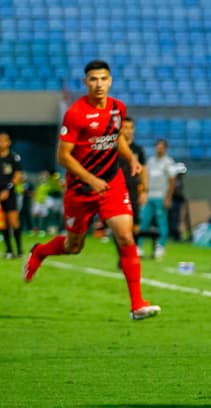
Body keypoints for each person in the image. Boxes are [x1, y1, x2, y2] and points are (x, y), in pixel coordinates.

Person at [22, 60, 160, 320]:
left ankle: (137, 304)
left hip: (112, 182)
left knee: (125, 236)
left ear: (110, 81)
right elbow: (64, 157)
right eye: (93, 79)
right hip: (81, 189)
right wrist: (91, 179)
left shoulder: (118, 108)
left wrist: (131, 158)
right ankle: (40, 252)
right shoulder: (75, 113)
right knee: (74, 246)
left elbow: (116, 137)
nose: (99, 84)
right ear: (85, 82)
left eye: (103, 79)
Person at [140, 139, 176, 258]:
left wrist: (168, 197)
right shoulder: (150, 161)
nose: (159, 149)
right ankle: (139, 245)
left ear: (165, 149)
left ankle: (160, 246)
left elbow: (172, 181)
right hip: (149, 195)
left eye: (161, 147)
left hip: (161, 196)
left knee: (161, 222)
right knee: (143, 220)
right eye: (157, 147)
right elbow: (145, 176)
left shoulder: (169, 162)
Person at [118, 117, 147, 254]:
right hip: (117, 190)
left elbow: (144, 170)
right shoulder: (114, 149)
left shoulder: (138, 150)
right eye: (125, 127)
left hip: (134, 190)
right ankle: (123, 255)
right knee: (119, 225)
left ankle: (131, 252)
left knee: (135, 224)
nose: (128, 131)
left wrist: (144, 190)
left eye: (131, 128)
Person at [0, 131, 24, 257]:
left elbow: (18, 175)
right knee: (2, 223)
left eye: (3, 140)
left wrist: (8, 189)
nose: (0, 143)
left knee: (13, 221)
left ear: (8, 142)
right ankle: (9, 250)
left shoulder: (13, 157)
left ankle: (19, 250)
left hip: (10, 193)